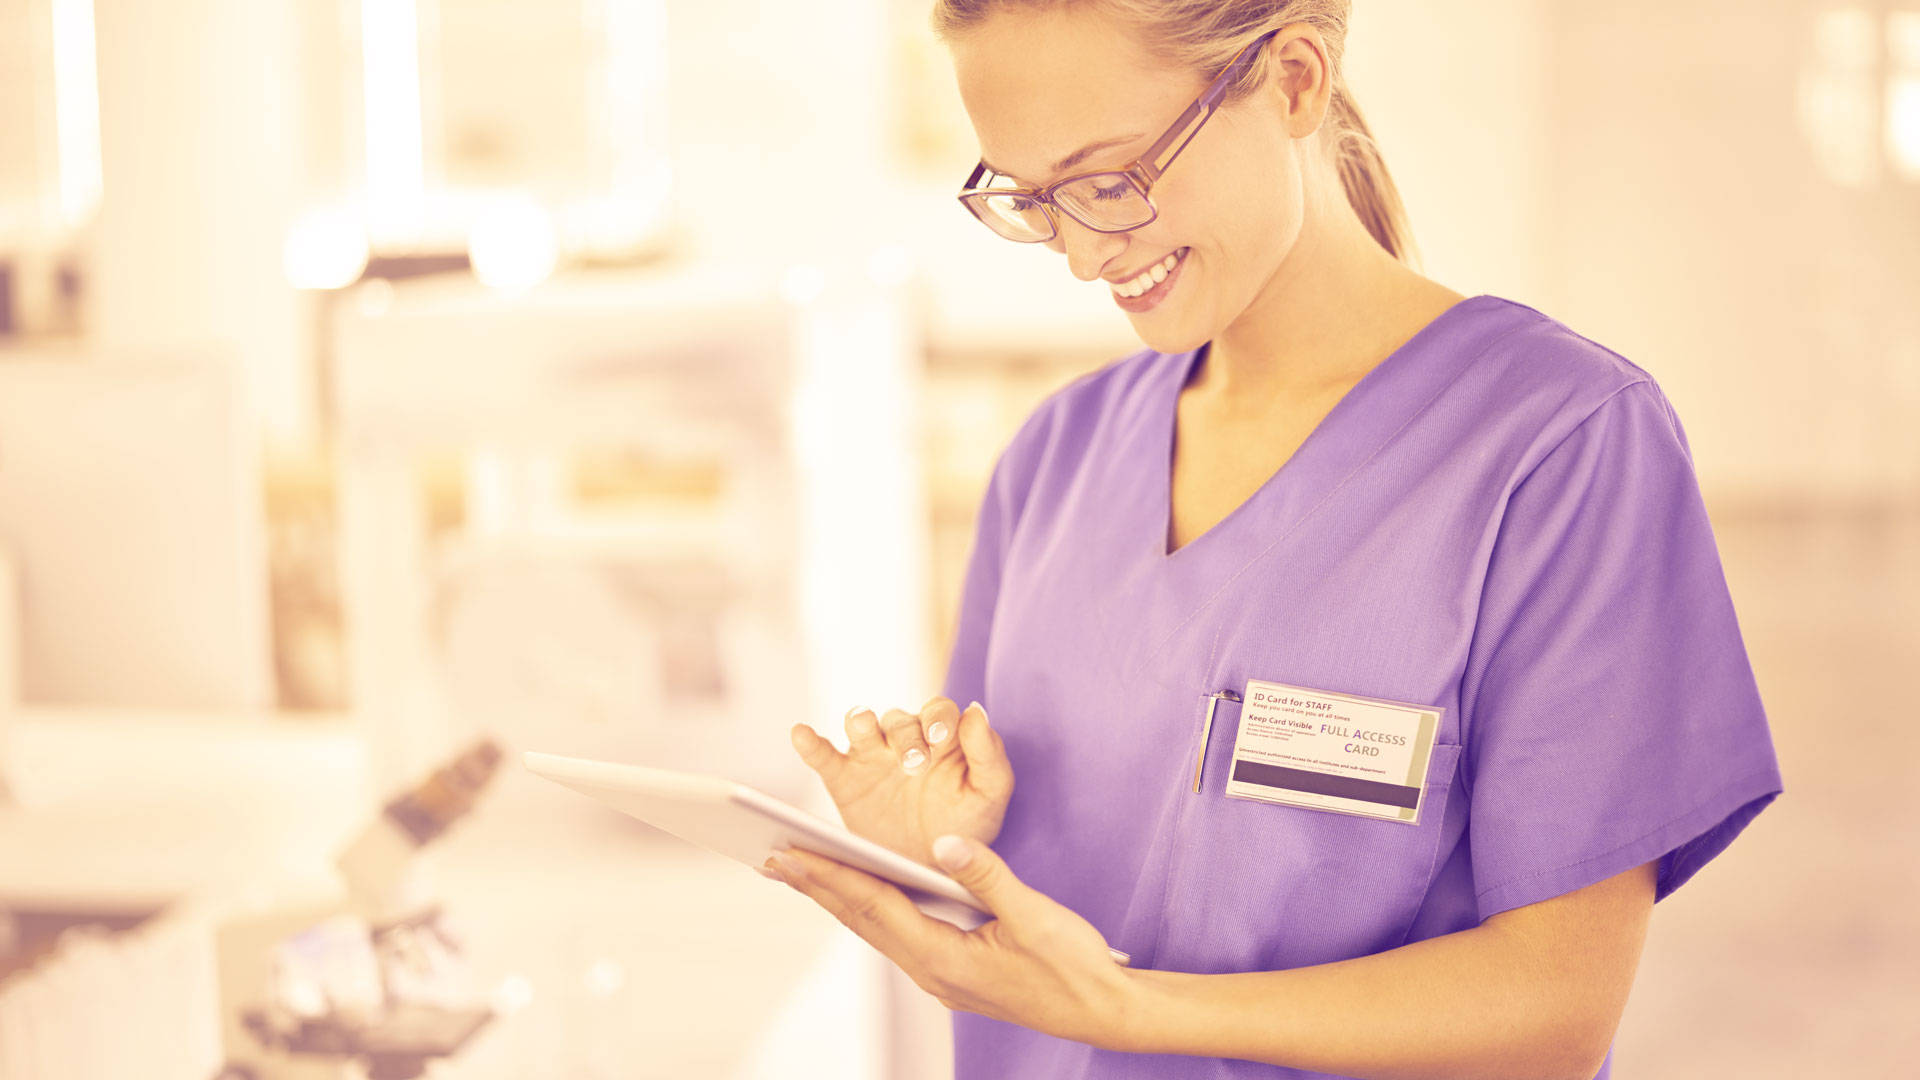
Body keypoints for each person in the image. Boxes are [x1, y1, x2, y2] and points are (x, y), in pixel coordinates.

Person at [768, 3, 1786, 1078]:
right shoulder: (1056, 458)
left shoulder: (1558, 448)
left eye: (1110, 180)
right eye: (1032, 199)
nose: (1077, 256)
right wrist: (936, 851)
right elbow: (1045, 910)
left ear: (1294, 80)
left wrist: (1134, 1012)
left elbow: (1557, 1004)